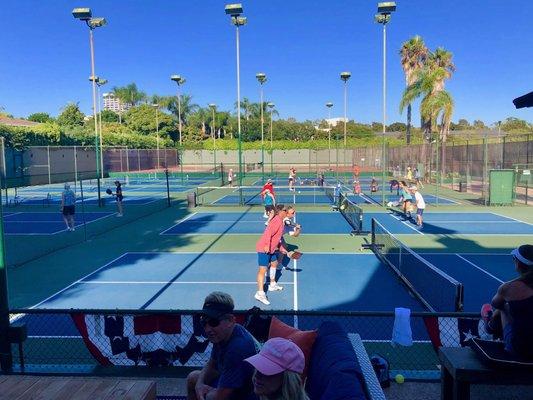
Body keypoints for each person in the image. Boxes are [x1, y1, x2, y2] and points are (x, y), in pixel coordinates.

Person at [187, 291, 259, 400]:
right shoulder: (225, 333)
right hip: (235, 384)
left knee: (207, 396)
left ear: (230, 320)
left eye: (213, 322)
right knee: (193, 378)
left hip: (246, 394)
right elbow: (212, 363)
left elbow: (220, 397)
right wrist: (199, 385)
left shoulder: (237, 349)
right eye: (204, 322)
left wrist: (204, 392)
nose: (207, 329)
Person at [481, 245, 533, 359]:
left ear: (518, 264)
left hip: (520, 349)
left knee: (504, 307)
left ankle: (489, 326)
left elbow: (495, 304)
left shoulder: (508, 288)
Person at [244, 337, 309, 400]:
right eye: (258, 366)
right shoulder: (255, 395)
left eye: (267, 371)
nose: (257, 375)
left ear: (288, 380)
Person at [255, 205, 286, 305]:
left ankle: (272, 284)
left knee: (274, 263)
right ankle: (260, 293)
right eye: (285, 210)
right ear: (280, 211)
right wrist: (267, 245)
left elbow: (278, 238)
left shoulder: (280, 221)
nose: (286, 212)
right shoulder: (276, 220)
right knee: (262, 270)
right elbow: (268, 232)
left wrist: (281, 248)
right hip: (264, 248)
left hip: (272, 249)